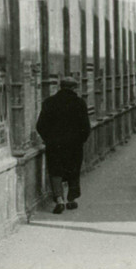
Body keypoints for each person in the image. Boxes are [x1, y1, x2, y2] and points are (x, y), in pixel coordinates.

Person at [35, 77, 91, 214]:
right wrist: (80, 140)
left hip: (55, 145)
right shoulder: (79, 103)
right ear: (74, 88)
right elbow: (86, 127)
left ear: (60, 87)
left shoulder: (49, 102)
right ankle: (71, 199)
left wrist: (49, 139)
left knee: (55, 171)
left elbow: (40, 125)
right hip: (74, 145)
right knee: (73, 170)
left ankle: (59, 200)